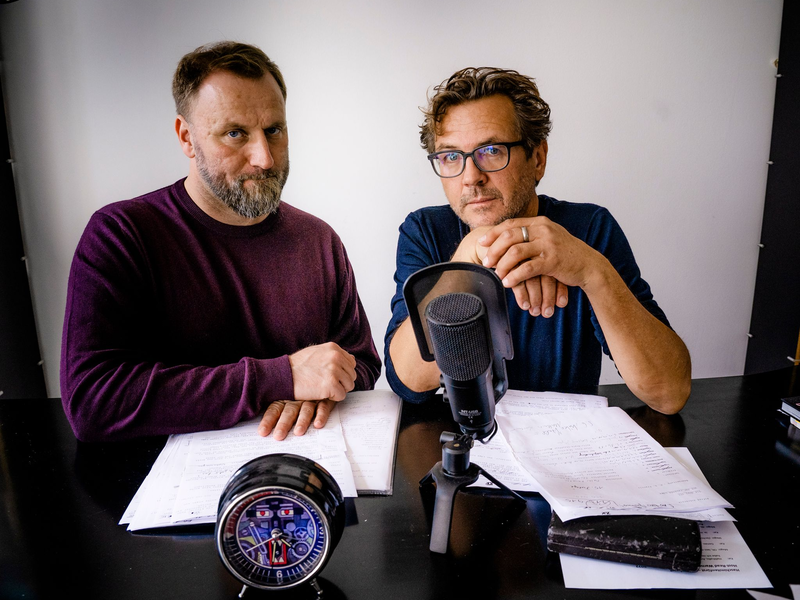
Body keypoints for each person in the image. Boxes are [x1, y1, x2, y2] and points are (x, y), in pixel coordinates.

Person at [61, 41, 381, 442]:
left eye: (274, 130)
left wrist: (324, 390)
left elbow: (362, 363)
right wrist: (282, 378)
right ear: (186, 138)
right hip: (166, 493)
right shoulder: (121, 234)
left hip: (303, 474)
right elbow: (94, 400)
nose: (264, 157)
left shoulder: (319, 240)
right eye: (235, 133)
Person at [385, 67, 690, 414]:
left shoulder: (589, 228)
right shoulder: (425, 230)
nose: (471, 177)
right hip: (464, 445)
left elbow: (668, 393)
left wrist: (590, 270)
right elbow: (409, 380)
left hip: (570, 445)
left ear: (538, 158)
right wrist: (468, 258)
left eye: (491, 151)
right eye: (451, 156)